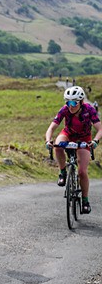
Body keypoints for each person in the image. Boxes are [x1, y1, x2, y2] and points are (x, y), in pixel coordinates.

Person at [45, 86, 102, 214]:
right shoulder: (64, 110)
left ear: (81, 102)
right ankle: (63, 172)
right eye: (68, 102)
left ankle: (85, 201)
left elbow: (100, 129)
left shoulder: (89, 110)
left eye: (73, 102)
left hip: (84, 138)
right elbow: (51, 128)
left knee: (82, 171)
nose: (70, 106)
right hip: (68, 134)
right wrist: (48, 140)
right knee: (58, 146)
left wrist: (95, 141)